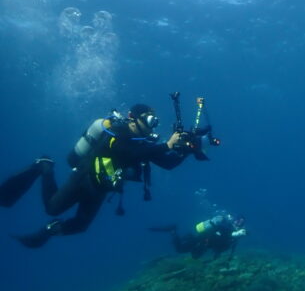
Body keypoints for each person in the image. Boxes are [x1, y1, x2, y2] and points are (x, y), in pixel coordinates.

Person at [0, 104, 189, 248]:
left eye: (154, 122)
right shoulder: (116, 131)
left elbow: (168, 163)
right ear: (133, 118)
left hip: (102, 188)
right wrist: (166, 145)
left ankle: (49, 230)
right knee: (52, 209)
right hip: (84, 177)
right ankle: (44, 166)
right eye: (149, 120)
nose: (152, 126)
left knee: (81, 226)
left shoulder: (143, 143)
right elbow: (128, 153)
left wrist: (188, 149)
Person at [151, 213, 246, 259]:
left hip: (203, 244)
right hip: (200, 240)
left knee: (195, 256)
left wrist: (218, 254)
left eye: (241, 223)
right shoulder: (227, 226)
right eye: (238, 220)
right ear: (234, 219)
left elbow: (227, 246)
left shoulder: (234, 235)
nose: (238, 224)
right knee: (180, 250)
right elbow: (223, 233)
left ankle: (174, 232)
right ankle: (173, 230)